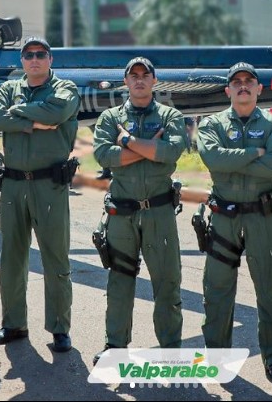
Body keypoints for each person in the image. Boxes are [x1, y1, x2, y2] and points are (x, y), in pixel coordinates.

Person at [197, 61, 272, 383]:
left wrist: (235, 159)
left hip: (263, 218)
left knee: (270, 290)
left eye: (248, 81)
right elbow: (213, 159)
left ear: (258, 88)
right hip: (223, 218)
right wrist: (254, 153)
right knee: (218, 290)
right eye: (235, 81)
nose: (242, 85)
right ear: (227, 90)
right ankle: (218, 358)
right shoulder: (211, 123)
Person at [0, 36, 80, 352]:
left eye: (41, 54)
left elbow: (58, 113)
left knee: (55, 257)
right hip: (12, 184)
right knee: (11, 257)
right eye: (28, 55)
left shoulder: (65, 89)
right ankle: (13, 324)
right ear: (21, 61)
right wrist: (33, 123)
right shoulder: (7, 89)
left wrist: (19, 113)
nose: (35, 59)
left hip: (48, 185)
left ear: (50, 59)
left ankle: (59, 328)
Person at [92, 56, 187, 363]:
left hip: (159, 211)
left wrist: (128, 141)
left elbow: (172, 152)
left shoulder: (170, 115)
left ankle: (171, 348)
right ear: (126, 82)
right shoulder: (110, 117)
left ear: (154, 80)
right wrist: (147, 148)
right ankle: (116, 346)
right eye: (133, 75)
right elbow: (104, 156)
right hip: (122, 212)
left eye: (145, 74)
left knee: (167, 281)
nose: (140, 79)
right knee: (120, 281)